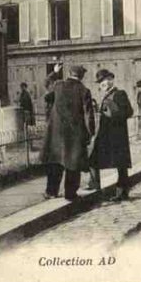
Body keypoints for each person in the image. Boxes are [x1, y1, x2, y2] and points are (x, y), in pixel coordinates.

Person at [40, 65, 95, 201]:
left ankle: (51, 192)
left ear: (69, 74)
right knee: (73, 164)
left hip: (56, 134)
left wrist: (55, 72)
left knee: (55, 162)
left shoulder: (58, 86)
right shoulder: (84, 91)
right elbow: (89, 115)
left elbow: (46, 85)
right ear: (82, 76)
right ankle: (70, 194)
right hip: (75, 134)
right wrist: (90, 133)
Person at [90, 69, 134, 202]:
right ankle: (95, 185)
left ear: (111, 79)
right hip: (107, 135)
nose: (102, 84)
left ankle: (122, 192)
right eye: (100, 82)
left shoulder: (119, 94)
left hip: (116, 135)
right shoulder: (107, 95)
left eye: (104, 80)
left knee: (120, 165)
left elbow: (129, 112)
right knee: (94, 158)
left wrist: (111, 114)